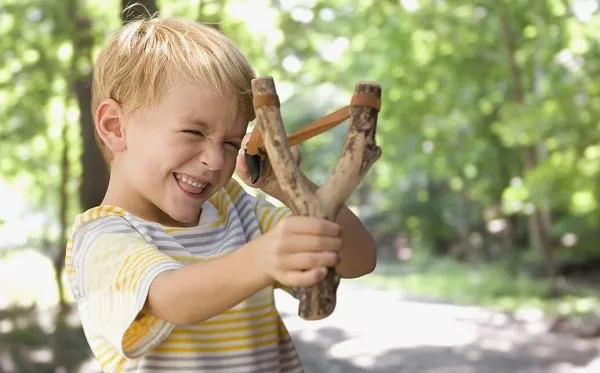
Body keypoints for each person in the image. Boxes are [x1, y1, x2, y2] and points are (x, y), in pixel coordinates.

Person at [64, 14, 376, 373]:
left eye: (230, 142)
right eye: (193, 133)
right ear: (115, 127)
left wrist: (285, 186)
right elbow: (169, 297)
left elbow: (358, 259)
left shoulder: (236, 209)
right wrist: (262, 259)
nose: (215, 160)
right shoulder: (101, 238)